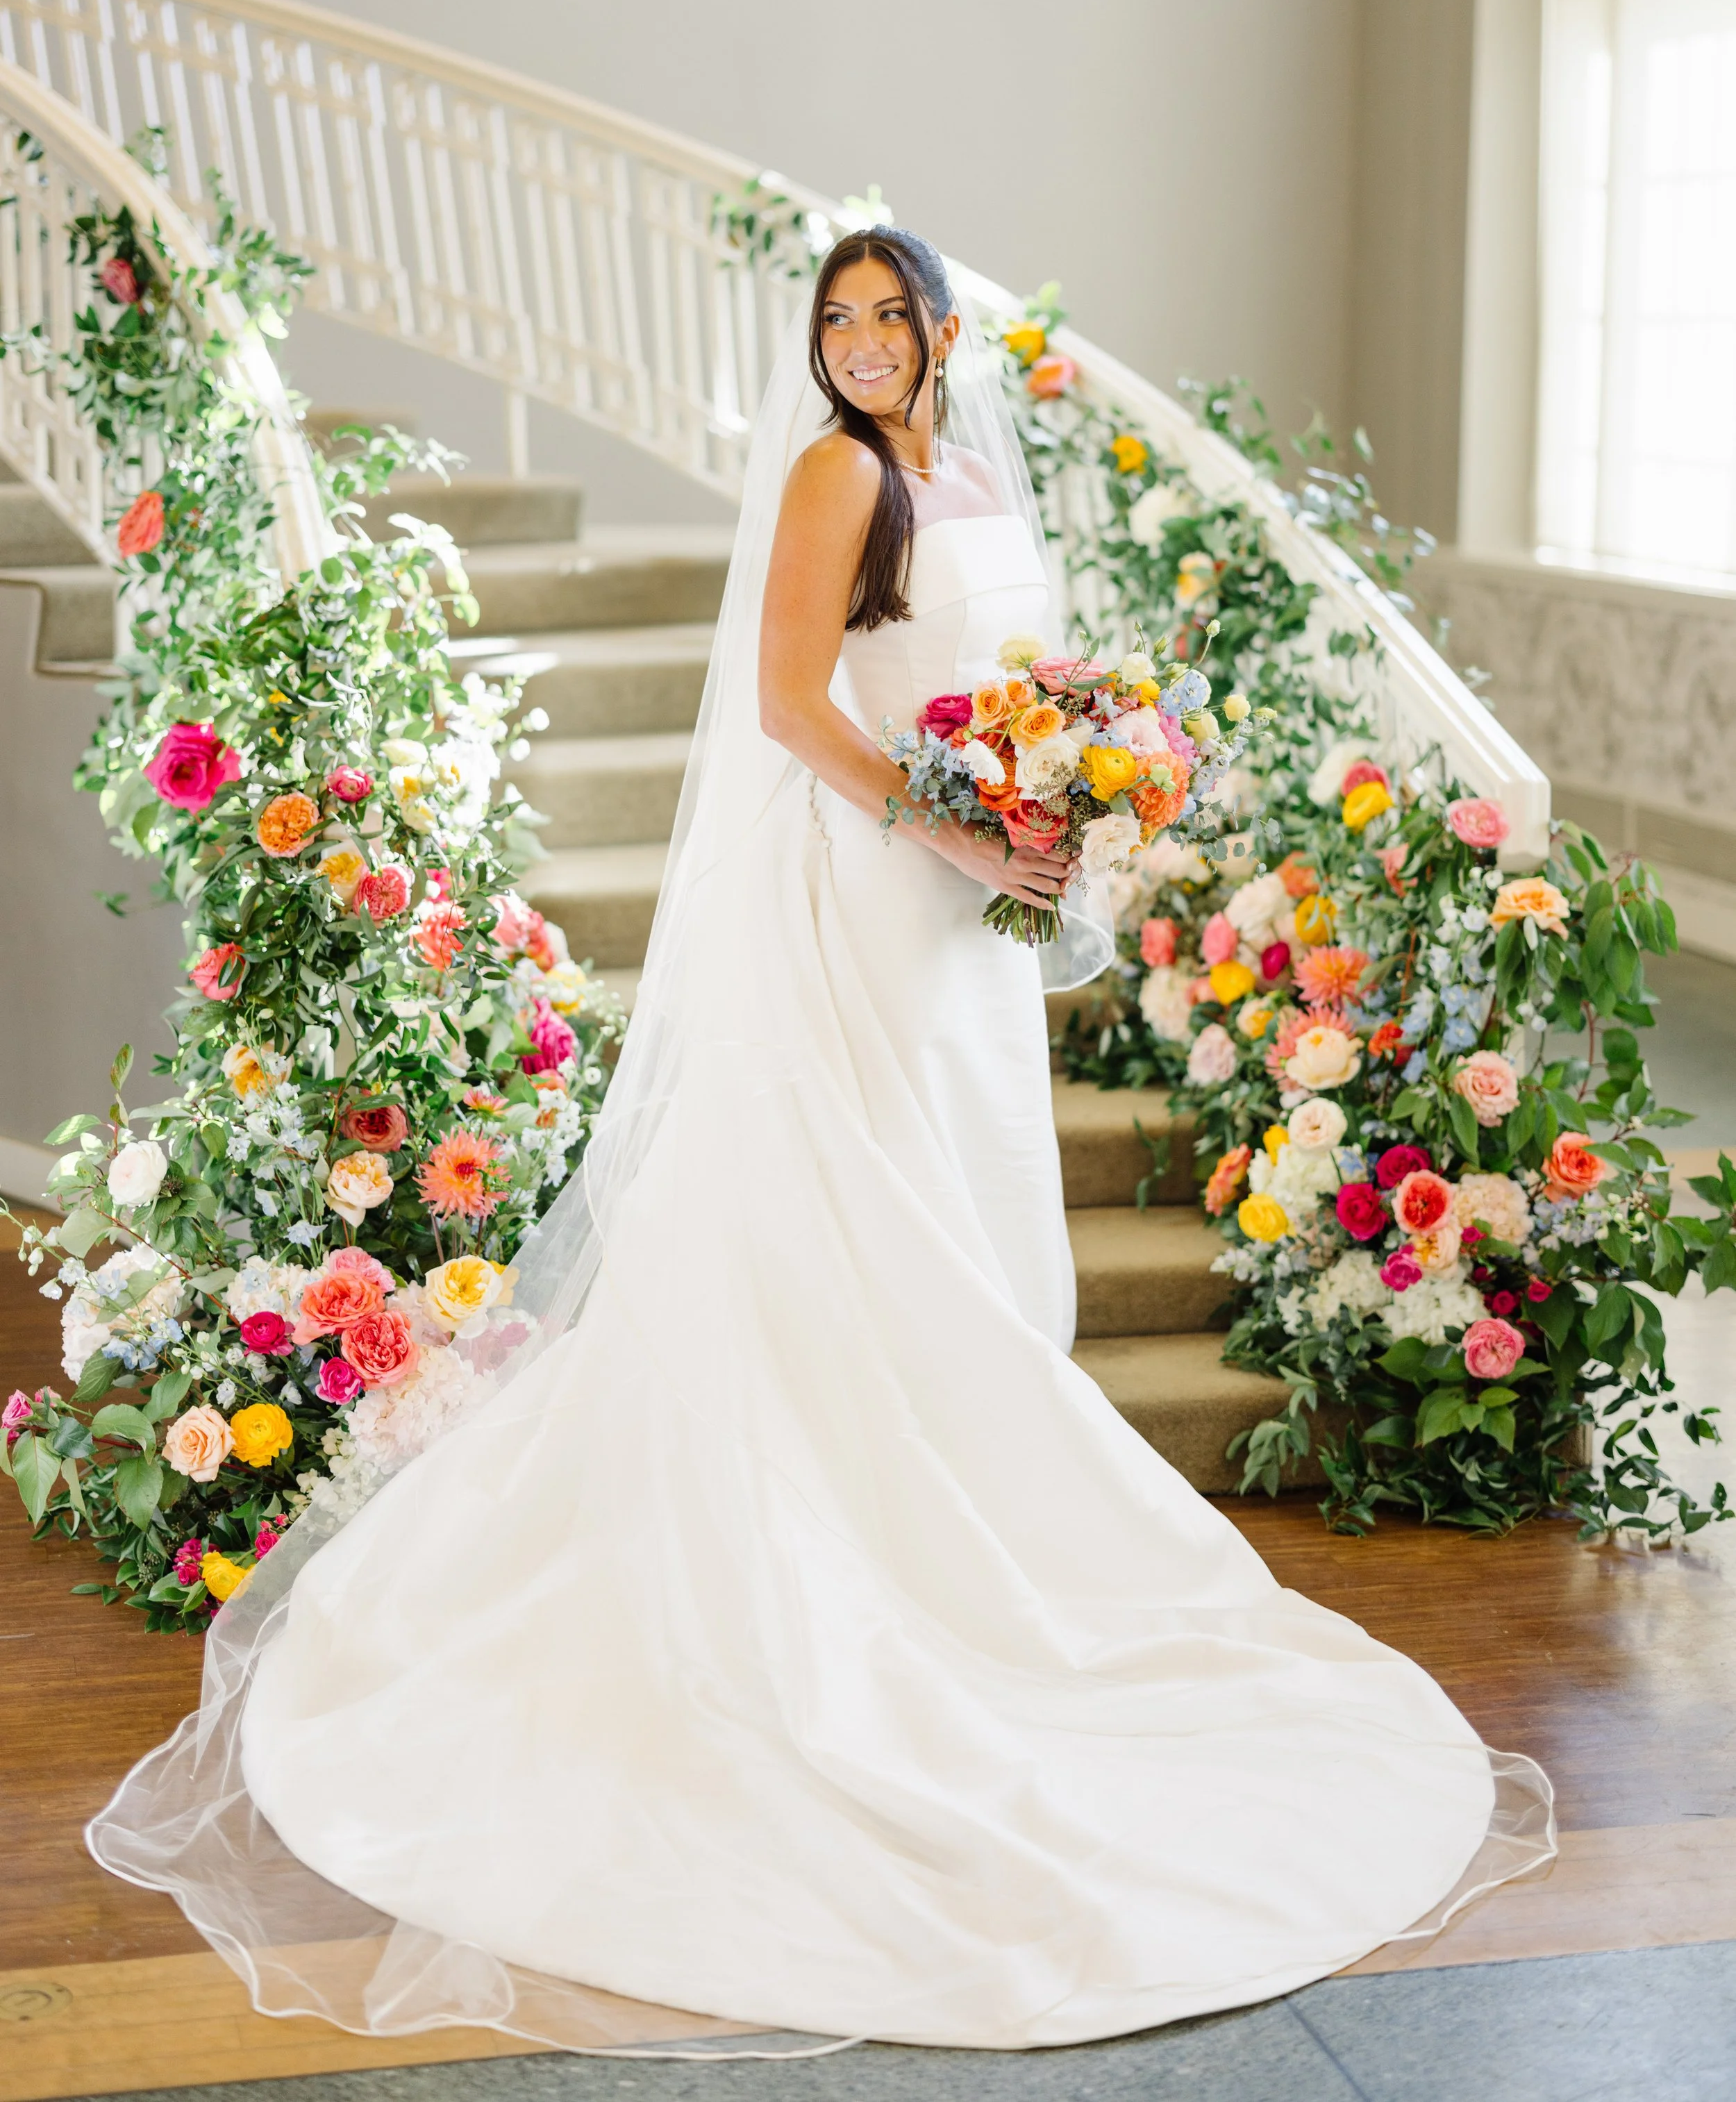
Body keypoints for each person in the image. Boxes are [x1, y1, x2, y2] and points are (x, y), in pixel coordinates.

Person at [89, 228, 1551, 2058]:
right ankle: (817, 1596)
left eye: (887, 314)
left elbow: (1001, 675)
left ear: (941, 331)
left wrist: (1079, 759)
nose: (859, 341)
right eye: (833, 319)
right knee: (846, 1224)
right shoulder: (832, 472)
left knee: (967, 1225)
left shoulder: (965, 470)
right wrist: (949, 829)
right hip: (860, 901)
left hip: (957, 925)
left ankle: (975, 1570)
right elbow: (795, 706)